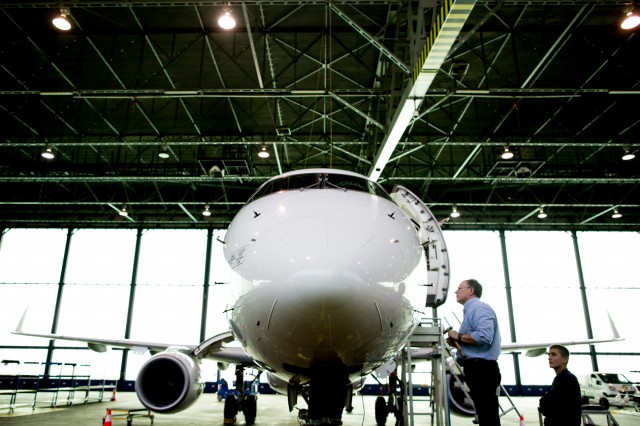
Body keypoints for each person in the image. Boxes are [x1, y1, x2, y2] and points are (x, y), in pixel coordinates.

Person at [446, 279, 502, 426]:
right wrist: (458, 342)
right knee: (485, 414)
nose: (455, 291)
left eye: (459, 288)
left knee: (488, 415)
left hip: (482, 369)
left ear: (470, 290)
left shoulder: (479, 308)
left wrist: (458, 336)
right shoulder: (471, 310)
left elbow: (484, 336)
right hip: (477, 369)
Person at [538, 345, 582, 426]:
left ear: (565, 359)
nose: (549, 358)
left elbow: (546, 406)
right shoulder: (564, 377)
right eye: (549, 354)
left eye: (554, 354)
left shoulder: (564, 378)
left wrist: (544, 400)